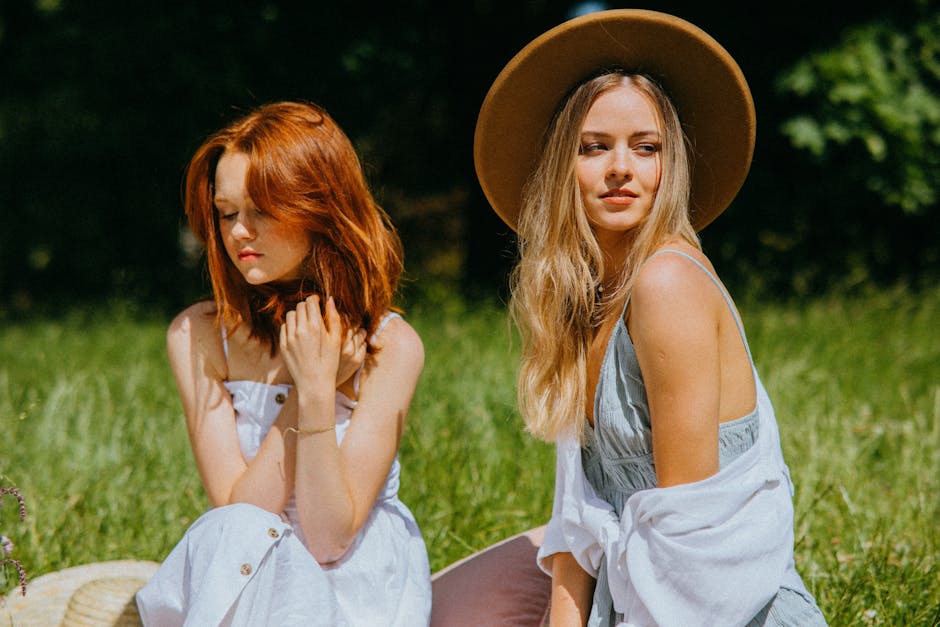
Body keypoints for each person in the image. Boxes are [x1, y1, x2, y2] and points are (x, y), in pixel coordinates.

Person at [473, 9, 827, 626]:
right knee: (428, 606)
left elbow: (691, 548)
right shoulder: (583, 295)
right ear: (564, 168)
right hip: (629, 577)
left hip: (713, 607)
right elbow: (578, 511)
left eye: (646, 147)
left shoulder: (666, 283)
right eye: (594, 148)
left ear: (671, 165)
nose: (620, 169)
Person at [136, 101, 431, 626]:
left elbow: (330, 536)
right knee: (233, 534)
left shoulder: (391, 345)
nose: (239, 233)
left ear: (320, 208)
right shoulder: (199, 335)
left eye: (263, 211)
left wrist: (323, 395)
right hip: (249, 577)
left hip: (356, 590)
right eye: (227, 214)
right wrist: (307, 387)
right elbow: (238, 516)